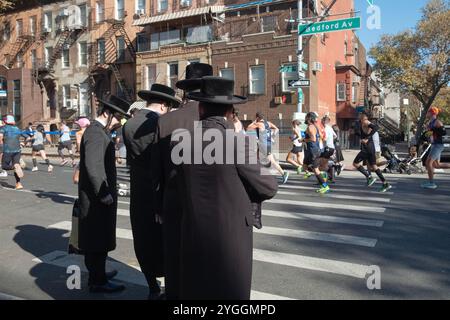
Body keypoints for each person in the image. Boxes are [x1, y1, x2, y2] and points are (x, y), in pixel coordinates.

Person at [174, 76, 278, 299]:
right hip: (230, 234)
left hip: (193, 229)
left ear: (200, 108)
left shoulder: (180, 141)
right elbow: (268, 187)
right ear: (231, 111)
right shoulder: (239, 142)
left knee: (197, 290)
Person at [154, 62, 212, 300]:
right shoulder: (218, 120)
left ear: (185, 90)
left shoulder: (167, 121)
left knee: (175, 257)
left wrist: (158, 205)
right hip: (208, 202)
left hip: (174, 198)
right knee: (204, 258)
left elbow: (156, 171)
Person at [123, 84, 181, 300]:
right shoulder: (161, 124)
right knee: (165, 241)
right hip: (160, 191)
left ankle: (152, 287)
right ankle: (170, 287)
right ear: (164, 105)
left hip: (139, 191)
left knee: (143, 239)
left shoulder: (129, 123)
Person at [78, 96, 130, 293]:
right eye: (118, 118)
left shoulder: (100, 132)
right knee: (96, 240)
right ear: (107, 113)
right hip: (96, 199)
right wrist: (103, 192)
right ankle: (97, 281)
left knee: (101, 238)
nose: (119, 123)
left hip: (99, 197)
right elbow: (93, 166)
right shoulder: (95, 133)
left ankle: (98, 273)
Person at [352, 111, 392, 193]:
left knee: (355, 163)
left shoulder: (366, 122)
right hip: (370, 148)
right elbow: (362, 135)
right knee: (374, 166)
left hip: (367, 148)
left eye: (361, 115)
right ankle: (385, 183)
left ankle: (369, 177)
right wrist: (356, 134)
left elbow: (376, 128)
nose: (359, 116)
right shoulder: (362, 123)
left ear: (364, 116)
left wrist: (367, 138)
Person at [247, 112, 289, 184]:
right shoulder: (268, 123)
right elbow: (277, 129)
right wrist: (272, 136)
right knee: (256, 158)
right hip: (267, 144)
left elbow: (248, 127)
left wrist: (254, 121)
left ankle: (283, 173)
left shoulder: (258, 124)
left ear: (257, 117)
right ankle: (256, 174)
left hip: (264, 145)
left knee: (272, 161)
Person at [421, 107, 450, 189]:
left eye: (428, 112)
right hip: (434, 144)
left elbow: (443, 132)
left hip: (438, 145)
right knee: (436, 165)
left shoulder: (437, 122)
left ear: (432, 113)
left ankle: (431, 183)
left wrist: (433, 130)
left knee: (428, 162)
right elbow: (429, 134)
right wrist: (425, 136)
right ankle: (430, 182)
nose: (427, 114)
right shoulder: (430, 123)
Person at [301, 112, 330, 194]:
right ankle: (322, 177)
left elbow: (313, 139)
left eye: (306, 117)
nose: (305, 119)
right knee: (308, 165)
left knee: (315, 169)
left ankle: (325, 186)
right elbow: (321, 136)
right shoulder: (315, 126)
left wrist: (303, 140)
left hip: (313, 150)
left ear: (309, 118)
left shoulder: (310, 127)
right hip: (314, 149)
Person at [0, 115, 25, 189]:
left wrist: (1, 146)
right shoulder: (17, 128)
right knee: (16, 165)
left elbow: (0, 138)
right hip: (17, 150)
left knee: (4, 166)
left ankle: (14, 167)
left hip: (8, 150)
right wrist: (23, 144)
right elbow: (25, 137)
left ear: (5, 121)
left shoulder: (3, 128)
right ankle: (18, 183)